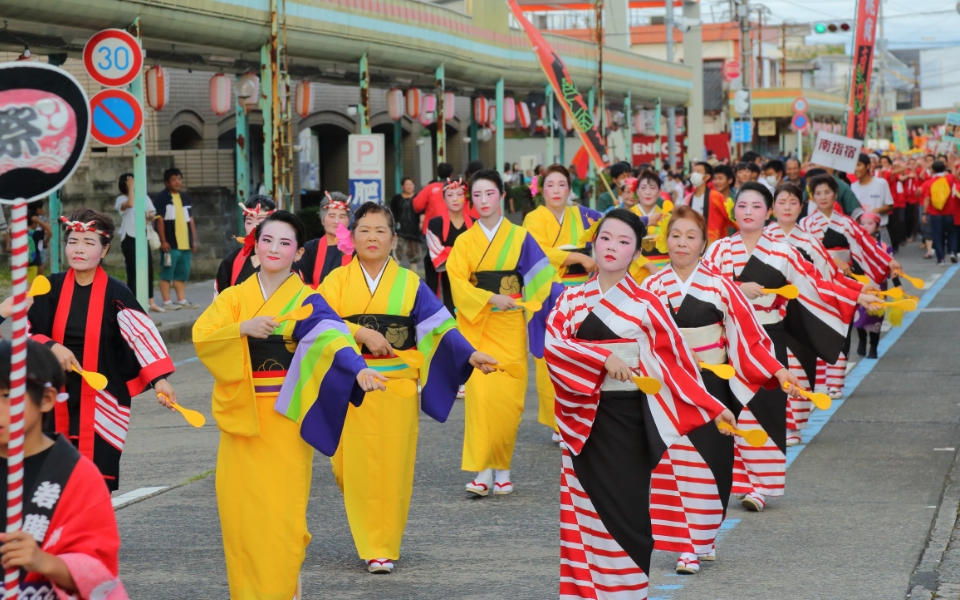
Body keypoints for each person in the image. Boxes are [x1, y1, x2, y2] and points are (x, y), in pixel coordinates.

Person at [543, 209, 733, 599]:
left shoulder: (648, 302)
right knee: (583, 516)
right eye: (606, 238)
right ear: (593, 242)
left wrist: (712, 406)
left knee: (628, 515)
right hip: (583, 420)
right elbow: (554, 345)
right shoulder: (570, 298)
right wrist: (601, 359)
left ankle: (627, 593)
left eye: (624, 242)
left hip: (627, 420)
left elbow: (676, 364)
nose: (613, 247)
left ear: (636, 253)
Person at [194, 211, 384, 597]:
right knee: (239, 515)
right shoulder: (234, 298)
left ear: (299, 253)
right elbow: (203, 337)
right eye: (267, 240)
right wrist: (241, 328)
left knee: (281, 515)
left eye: (285, 243)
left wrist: (358, 369)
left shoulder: (307, 300)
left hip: (283, 416)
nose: (274, 249)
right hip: (242, 417)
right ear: (255, 247)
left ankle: (284, 587)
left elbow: (333, 337)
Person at [319, 202, 496, 573]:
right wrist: (360, 331)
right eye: (364, 229)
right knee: (347, 468)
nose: (372, 237)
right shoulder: (335, 281)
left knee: (392, 467)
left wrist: (470, 353)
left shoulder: (410, 283)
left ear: (394, 238)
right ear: (352, 237)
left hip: (396, 385)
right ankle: (369, 527)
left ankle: (380, 545)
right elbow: (319, 323)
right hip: (350, 384)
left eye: (380, 230)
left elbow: (439, 326)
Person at [643, 205, 795, 574]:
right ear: (666, 240)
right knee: (674, 462)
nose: (682, 243)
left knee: (713, 461)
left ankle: (704, 536)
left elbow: (749, 337)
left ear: (703, 244)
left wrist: (776, 370)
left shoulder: (720, 286)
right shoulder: (650, 288)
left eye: (690, 236)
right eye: (676, 235)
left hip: (712, 385)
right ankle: (687, 546)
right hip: (667, 387)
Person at [705, 183, 875, 512]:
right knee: (733, 408)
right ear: (734, 211)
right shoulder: (719, 250)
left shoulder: (781, 250)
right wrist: (738, 287)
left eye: (757, 206)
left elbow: (814, 284)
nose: (749, 212)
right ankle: (740, 481)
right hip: (731, 339)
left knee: (766, 408)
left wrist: (856, 294)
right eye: (742, 206)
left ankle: (760, 487)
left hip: (768, 336)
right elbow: (705, 287)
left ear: (766, 212)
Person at [28, 209, 177, 492]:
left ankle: (92, 535)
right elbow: (25, 332)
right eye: (73, 241)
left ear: (105, 249)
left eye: (88, 242)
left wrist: (161, 380)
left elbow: (141, 337)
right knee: (48, 485)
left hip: (102, 401)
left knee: (93, 484)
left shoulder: (118, 293)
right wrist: (51, 346)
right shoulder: (49, 287)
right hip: (49, 396)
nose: (79, 249)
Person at [447, 169, 560, 497]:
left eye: (489, 194)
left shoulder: (521, 237)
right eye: (477, 195)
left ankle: (504, 467)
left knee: (509, 402)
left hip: (510, 324)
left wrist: (527, 302)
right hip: (478, 327)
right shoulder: (465, 242)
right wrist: (487, 297)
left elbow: (542, 275)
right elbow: (456, 282)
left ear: (502, 197)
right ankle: (483, 471)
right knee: (481, 401)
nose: (483, 201)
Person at [0, 340, 130, 600]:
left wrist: (44, 561)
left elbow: (100, 571)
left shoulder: (76, 475)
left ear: (46, 399)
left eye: (6, 396)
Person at [766, 183, 865, 443]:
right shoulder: (763, 238)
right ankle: (771, 423)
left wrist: (858, 292)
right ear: (772, 207)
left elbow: (828, 277)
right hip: (765, 314)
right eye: (782, 202)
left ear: (801, 207)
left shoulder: (809, 241)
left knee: (798, 367)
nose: (787, 207)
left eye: (793, 203)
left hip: (802, 315)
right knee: (769, 369)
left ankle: (793, 427)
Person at [523, 164, 603, 441]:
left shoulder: (581, 214)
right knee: (551, 355)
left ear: (570, 189)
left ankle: (582, 412)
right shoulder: (533, 219)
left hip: (581, 291)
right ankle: (558, 420)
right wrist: (579, 257)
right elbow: (538, 251)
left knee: (581, 351)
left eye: (561, 185)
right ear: (541, 191)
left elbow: (607, 226)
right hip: (548, 293)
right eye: (550, 185)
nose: (556, 191)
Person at [800, 174, 899, 397]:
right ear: (812, 197)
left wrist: (889, 261)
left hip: (844, 282)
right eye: (818, 193)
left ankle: (835, 383)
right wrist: (831, 260)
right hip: (816, 282)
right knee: (817, 331)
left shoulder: (846, 223)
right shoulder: (805, 224)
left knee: (842, 330)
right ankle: (819, 382)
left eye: (827, 192)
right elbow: (801, 254)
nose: (823, 196)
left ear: (835, 194)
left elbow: (867, 245)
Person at [854, 212, 899, 359]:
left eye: (870, 223)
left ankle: (873, 347)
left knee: (875, 318)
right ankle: (862, 340)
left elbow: (893, 268)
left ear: (878, 227)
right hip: (859, 286)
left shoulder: (884, 247)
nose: (865, 226)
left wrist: (897, 285)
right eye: (863, 223)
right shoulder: (856, 246)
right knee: (857, 316)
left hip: (879, 287)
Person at [115, 174, 162, 312]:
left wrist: (149, 217)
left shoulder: (144, 197)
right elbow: (129, 204)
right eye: (130, 183)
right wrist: (131, 189)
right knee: (133, 270)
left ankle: (150, 301)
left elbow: (152, 213)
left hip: (143, 236)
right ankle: (133, 302)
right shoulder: (121, 199)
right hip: (129, 238)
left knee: (148, 269)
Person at [425, 178, 474, 314]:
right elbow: (436, 251)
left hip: (468, 274)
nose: (455, 199)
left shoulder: (476, 224)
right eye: (450, 195)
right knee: (448, 311)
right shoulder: (434, 223)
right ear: (444, 199)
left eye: (459, 195)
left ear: (465, 198)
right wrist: (463, 256)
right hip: (443, 271)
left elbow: (479, 251)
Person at [153, 168, 199, 310]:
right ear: (167, 182)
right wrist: (163, 241)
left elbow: (190, 220)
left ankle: (181, 300)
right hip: (170, 244)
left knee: (182, 273)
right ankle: (167, 302)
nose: (178, 182)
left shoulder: (185, 198)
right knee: (167, 271)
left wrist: (194, 240)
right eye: (174, 179)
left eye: (179, 179)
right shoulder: (161, 198)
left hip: (185, 244)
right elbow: (159, 221)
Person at [214, 195, 275, 296]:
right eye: (249, 222)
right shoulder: (231, 261)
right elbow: (220, 302)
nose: (254, 227)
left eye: (260, 221)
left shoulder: (288, 258)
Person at [296, 191, 353, 288]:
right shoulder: (310, 249)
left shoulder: (358, 249)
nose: (336, 221)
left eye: (342, 216)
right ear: (323, 220)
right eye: (331, 216)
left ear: (349, 221)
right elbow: (302, 283)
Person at [677, 161, 736, 245]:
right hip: (692, 242)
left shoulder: (716, 197)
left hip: (714, 243)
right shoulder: (688, 198)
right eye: (693, 171)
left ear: (706, 177)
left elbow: (731, 217)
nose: (694, 174)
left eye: (698, 171)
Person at [851, 153, 896, 246]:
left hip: (879, 230)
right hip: (860, 232)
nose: (855, 169)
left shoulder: (881, 183)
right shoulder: (852, 187)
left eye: (858, 165)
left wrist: (877, 210)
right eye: (853, 165)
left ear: (868, 166)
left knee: (885, 259)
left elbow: (890, 206)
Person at [920, 160, 958, 265]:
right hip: (950, 212)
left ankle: (941, 259)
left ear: (932, 170)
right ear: (944, 169)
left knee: (937, 236)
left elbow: (927, 199)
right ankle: (953, 252)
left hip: (935, 213)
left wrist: (924, 213)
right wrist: (951, 162)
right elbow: (954, 173)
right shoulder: (949, 179)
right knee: (952, 233)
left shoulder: (929, 182)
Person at [390, 177, 424, 273]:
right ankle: (394, 274)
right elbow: (392, 213)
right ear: (402, 186)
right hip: (400, 230)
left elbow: (422, 211)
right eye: (407, 184)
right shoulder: (396, 198)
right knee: (397, 252)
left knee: (414, 254)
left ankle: (414, 275)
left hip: (414, 230)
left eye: (411, 184)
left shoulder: (418, 197)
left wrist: (422, 222)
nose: (409, 187)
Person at [27, 200, 51, 285]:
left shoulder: (25, 216)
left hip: (27, 252)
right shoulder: (42, 219)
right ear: (38, 209)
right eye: (42, 208)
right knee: (38, 275)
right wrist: (45, 242)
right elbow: (49, 232)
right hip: (39, 248)